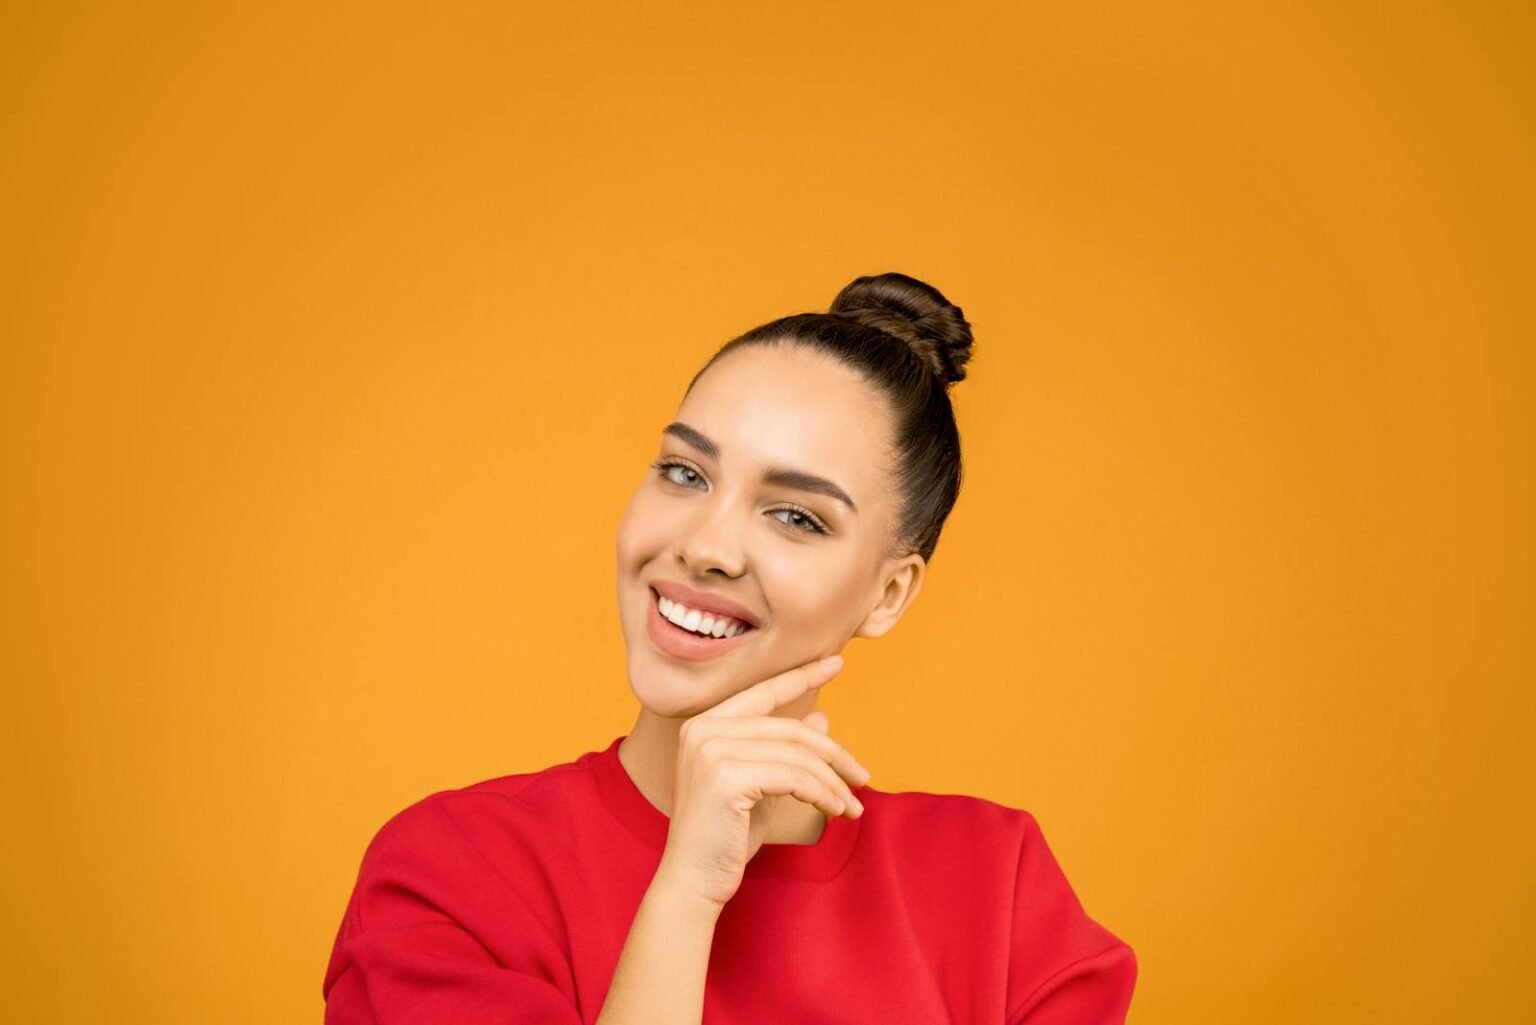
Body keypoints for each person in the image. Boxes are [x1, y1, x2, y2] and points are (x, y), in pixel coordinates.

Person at [321, 272, 1138, 1023]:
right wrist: (685, 893)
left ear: (888, 595)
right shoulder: (452, 875)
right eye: (685, 473)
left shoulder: (997, 893)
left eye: (797, 516)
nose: (708, 546)